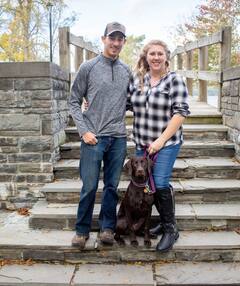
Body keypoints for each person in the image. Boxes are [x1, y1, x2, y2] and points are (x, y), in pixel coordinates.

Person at [69, 22, 131, 249]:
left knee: (112, 186)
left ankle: (107, 228)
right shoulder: (88, 67)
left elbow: (132, 101)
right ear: (103, 38)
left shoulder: (126, 70)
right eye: (112, 38)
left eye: (120, 39)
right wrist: (84, 131)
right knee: (89, 186)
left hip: (118, 138)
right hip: (93, 137)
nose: (116, 43)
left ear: (124, 41)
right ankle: (81, 230)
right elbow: (73, 101)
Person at [128, 40, 190, 252]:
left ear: (166, 57)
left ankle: (171, 230)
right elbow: (124, 103)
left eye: (160, 54)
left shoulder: (174, 80)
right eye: (151, 53)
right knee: (146, 183)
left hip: (166, 142)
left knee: (160, 182)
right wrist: (89, 103)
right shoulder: (138, 80)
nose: (155, 57)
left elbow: (181, 112)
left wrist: (161, 140)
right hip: (142, 143)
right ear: (146, 57)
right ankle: (163, 222)